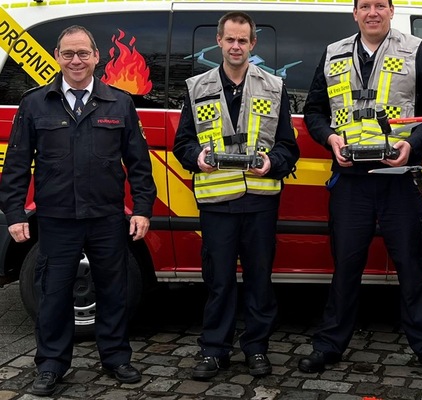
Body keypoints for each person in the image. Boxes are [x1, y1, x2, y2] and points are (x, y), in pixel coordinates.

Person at [298, 0, 422, 381]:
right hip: (351, 181)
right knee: (345, 268)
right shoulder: (332, 54)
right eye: (364, 5)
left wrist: (411, 145)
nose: (372, 12)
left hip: (399, 179)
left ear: (391, 10)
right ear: (354, 13)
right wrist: (330, 138)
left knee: (412, 267)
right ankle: (329, 344)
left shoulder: (417, 51)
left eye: (379, 5)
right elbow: (313, 111)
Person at [0, 25, 156, 396]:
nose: (76, 60)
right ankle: (51, 365)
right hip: (56, 218)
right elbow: (17, 164)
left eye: (83, 53)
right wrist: (15, 213)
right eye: (68, 53)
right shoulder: (35, 103)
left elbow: (139, 163)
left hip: (106, 216)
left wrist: (142, 209)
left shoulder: (119, 102)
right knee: (54, 294)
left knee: (113, 290)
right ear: (57, 56)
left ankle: (115, 357)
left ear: (96, 57)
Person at [173, 12, 299, 380]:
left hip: (260, 201)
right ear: (218, 41)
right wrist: (196, 158)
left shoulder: (274, 87)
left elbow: (288, 147)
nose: (235, 46)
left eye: (243, 40)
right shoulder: (197, 87)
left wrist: (271, 163)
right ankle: (214, 350)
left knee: (260, 280)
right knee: (219, 281)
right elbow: (183, 143)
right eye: (230, 39)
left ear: (253, 44)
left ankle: (256, 348)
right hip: (217, 204)